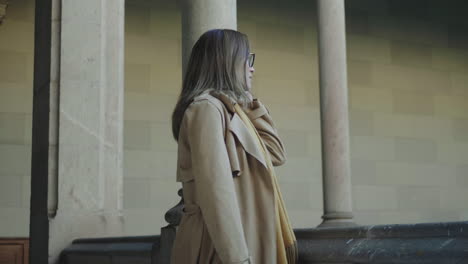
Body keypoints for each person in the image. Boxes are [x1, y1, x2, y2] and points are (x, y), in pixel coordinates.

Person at [170, 29, 297, 264]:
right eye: (247, 59)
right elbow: (216, 192)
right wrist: (238, 259)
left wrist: (249, 102)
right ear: (226, 62)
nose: (252, 68)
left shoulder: (233, 111)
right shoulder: (206, 109)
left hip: (248, 238)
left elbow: (276, 153)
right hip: (221, 248)